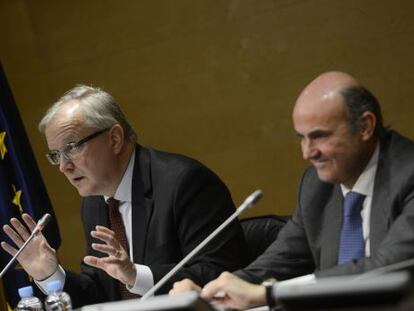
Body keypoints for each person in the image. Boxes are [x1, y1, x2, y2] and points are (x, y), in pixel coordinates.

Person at [170, 71, 414, 309]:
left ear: (365, 127)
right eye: (302, 138)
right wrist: (211, 295)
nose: (307, 152)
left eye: (319, 136)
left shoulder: (408, 174)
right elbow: (279, 262)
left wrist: (271, 294)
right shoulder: (316, 185)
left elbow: (388, 266)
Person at [1, 85, 247, 308]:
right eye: (56, 155)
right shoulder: (95, 202)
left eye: (72, 148)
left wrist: (135, 275)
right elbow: (102, 293)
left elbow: (221, 274)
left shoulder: (184, 183)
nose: (64, 166)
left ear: (115, 139)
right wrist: (49, 273)